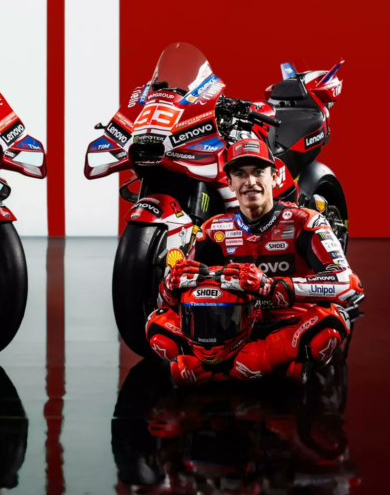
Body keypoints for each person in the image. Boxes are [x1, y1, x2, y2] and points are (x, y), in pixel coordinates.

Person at [146, 136, 364, 386]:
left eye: (258, 172)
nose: (250, 182)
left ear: (274, 176)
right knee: (156, 326)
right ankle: (267, 367)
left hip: (291, 326)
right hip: (231, 334)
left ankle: (218, 370)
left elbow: (350, 286)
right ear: (230, 182)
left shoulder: (306, 221)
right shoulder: (214, 229)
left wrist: (272, 286)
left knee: (331, 325)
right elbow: (171, 302)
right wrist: (171, 286)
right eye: (240, 174)